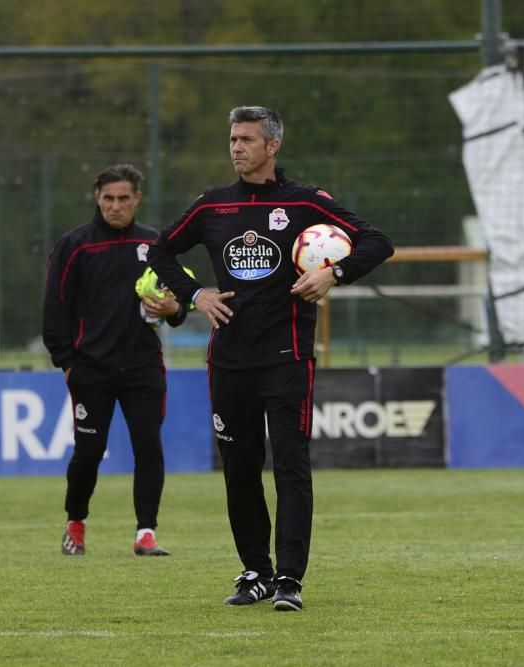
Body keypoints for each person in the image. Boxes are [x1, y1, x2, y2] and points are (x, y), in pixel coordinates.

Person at [147, 106, 394, 611]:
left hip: (288, 357)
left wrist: (334, 274)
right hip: (229, 361)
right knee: (239, 469)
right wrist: (196, 296)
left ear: (272, 146)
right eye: (232, 139)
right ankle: (254, 572)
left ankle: (290, 579)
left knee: (291, 467)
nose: (236, 147)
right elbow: (160, 252)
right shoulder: (213, 207)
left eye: (247, 139)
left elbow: (377, 242)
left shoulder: (304, 202)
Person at [43, 163, 187, 557]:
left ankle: (146, 533)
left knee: (149, 447)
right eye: (109, 198)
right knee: (88, 452)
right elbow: (54, 310)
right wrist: (68, 363)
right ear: (97, 197)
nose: (116, 206)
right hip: (91, 370)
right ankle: (76, 522)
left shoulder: (155, 244)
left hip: (143, 368)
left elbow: (177, 306)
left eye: (124, 198)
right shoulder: (76, 245)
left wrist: (174, 309)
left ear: (137, 199)